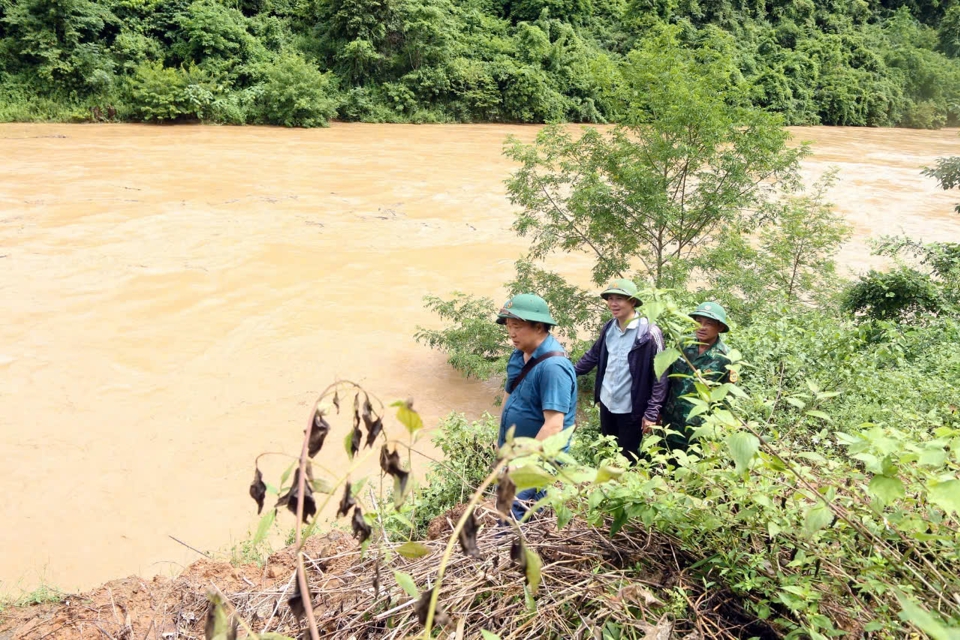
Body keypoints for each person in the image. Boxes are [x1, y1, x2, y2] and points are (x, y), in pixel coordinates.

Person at [496, 293, 578, 520]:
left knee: (517, 518)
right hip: (513, 455)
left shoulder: (553, 367)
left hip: (536, 462)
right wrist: (502, 444)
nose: (511, 333)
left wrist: (523, 463)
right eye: (509, 326)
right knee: (504, 509)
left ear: (539, 326)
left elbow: (554, 425)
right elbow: (508, 397)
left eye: (517, 327)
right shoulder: (518, 355)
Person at [573, 279, 667, 462]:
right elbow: (593, 355)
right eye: (610, 299)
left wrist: (652, 412)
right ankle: (611, 486)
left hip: (631, 408)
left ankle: (627, 487)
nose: (613, 304)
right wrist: (569, 371)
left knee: (629, 457)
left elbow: (660, 375)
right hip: (607, 403)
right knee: (610, 451)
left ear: (632, 302)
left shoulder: (648, 333)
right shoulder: (609, 328)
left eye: (619, 299)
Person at [660, 301, 735, 452]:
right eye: (698, 321)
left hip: (699, 430)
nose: (701, 327)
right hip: (670, 423)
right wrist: (657, 411)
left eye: (709, 323)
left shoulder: (726, 358)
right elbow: (666, 380)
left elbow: (728, 398)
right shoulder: (682, 345)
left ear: (720, 327)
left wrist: (717, 431)